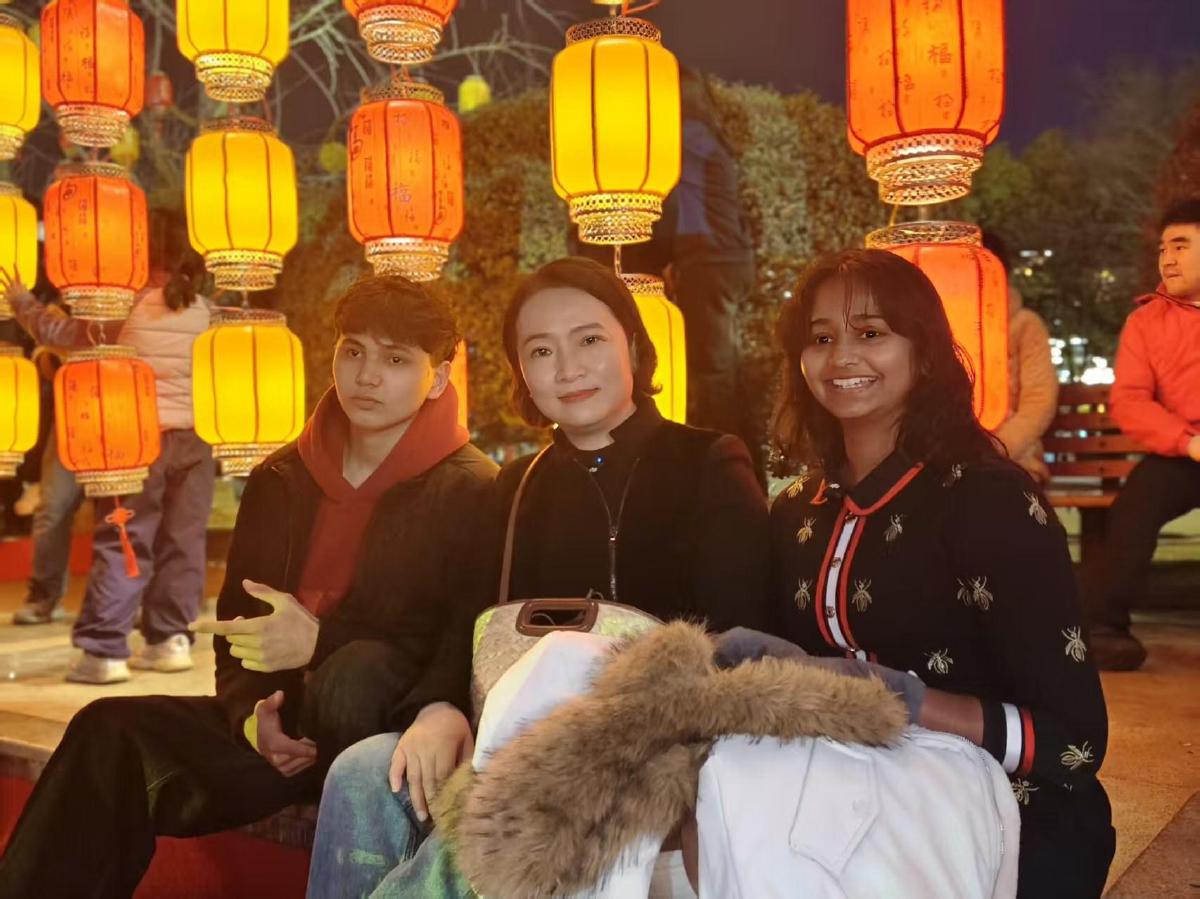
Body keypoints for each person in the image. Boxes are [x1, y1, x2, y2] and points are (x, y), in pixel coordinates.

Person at [0, 276, 497, 898]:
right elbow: (236, 628)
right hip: (285, 732)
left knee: (357, 672)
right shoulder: (282, 477)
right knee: (109, 728)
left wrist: (321, 642)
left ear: (439, 377)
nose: (367, 376)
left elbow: (459, 642)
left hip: (382, 736)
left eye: (396, 360)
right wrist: (249, 720)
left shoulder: (474, 489)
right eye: (353, 351)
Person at [305, 256, 771, 898]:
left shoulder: (707, 463)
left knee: (506, 819)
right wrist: (439, 708)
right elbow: (467, 621)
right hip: (513, 734)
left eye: (590, 340)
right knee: (365, 771)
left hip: (653, 747)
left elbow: (741, 635)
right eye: (542, 351)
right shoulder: (516, 486)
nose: (568, 368)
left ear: (634, 346)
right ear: (522, 372)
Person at [767, 249, 1113, 897]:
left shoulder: (988, 499)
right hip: (841, 795)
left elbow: (1075, 741)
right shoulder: (795, 512)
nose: (842, 357)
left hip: (1003, 808)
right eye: (821, 338)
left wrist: (904, 701)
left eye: (871, 333)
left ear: (924, 353)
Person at [1081, 198, 1200, 670]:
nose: (1167, 258)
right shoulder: (1147, 322)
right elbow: (1130, 401)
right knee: (1136, 505)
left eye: (1181, 245)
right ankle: (1103, 629)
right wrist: (1187, 442)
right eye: (1162, 249)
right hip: (1181, 451)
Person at [982, 230, 1059, 485]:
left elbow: (1039, 401)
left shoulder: (1025, 325)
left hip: (1016, 459)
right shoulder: (939, 327)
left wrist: (996, 449)